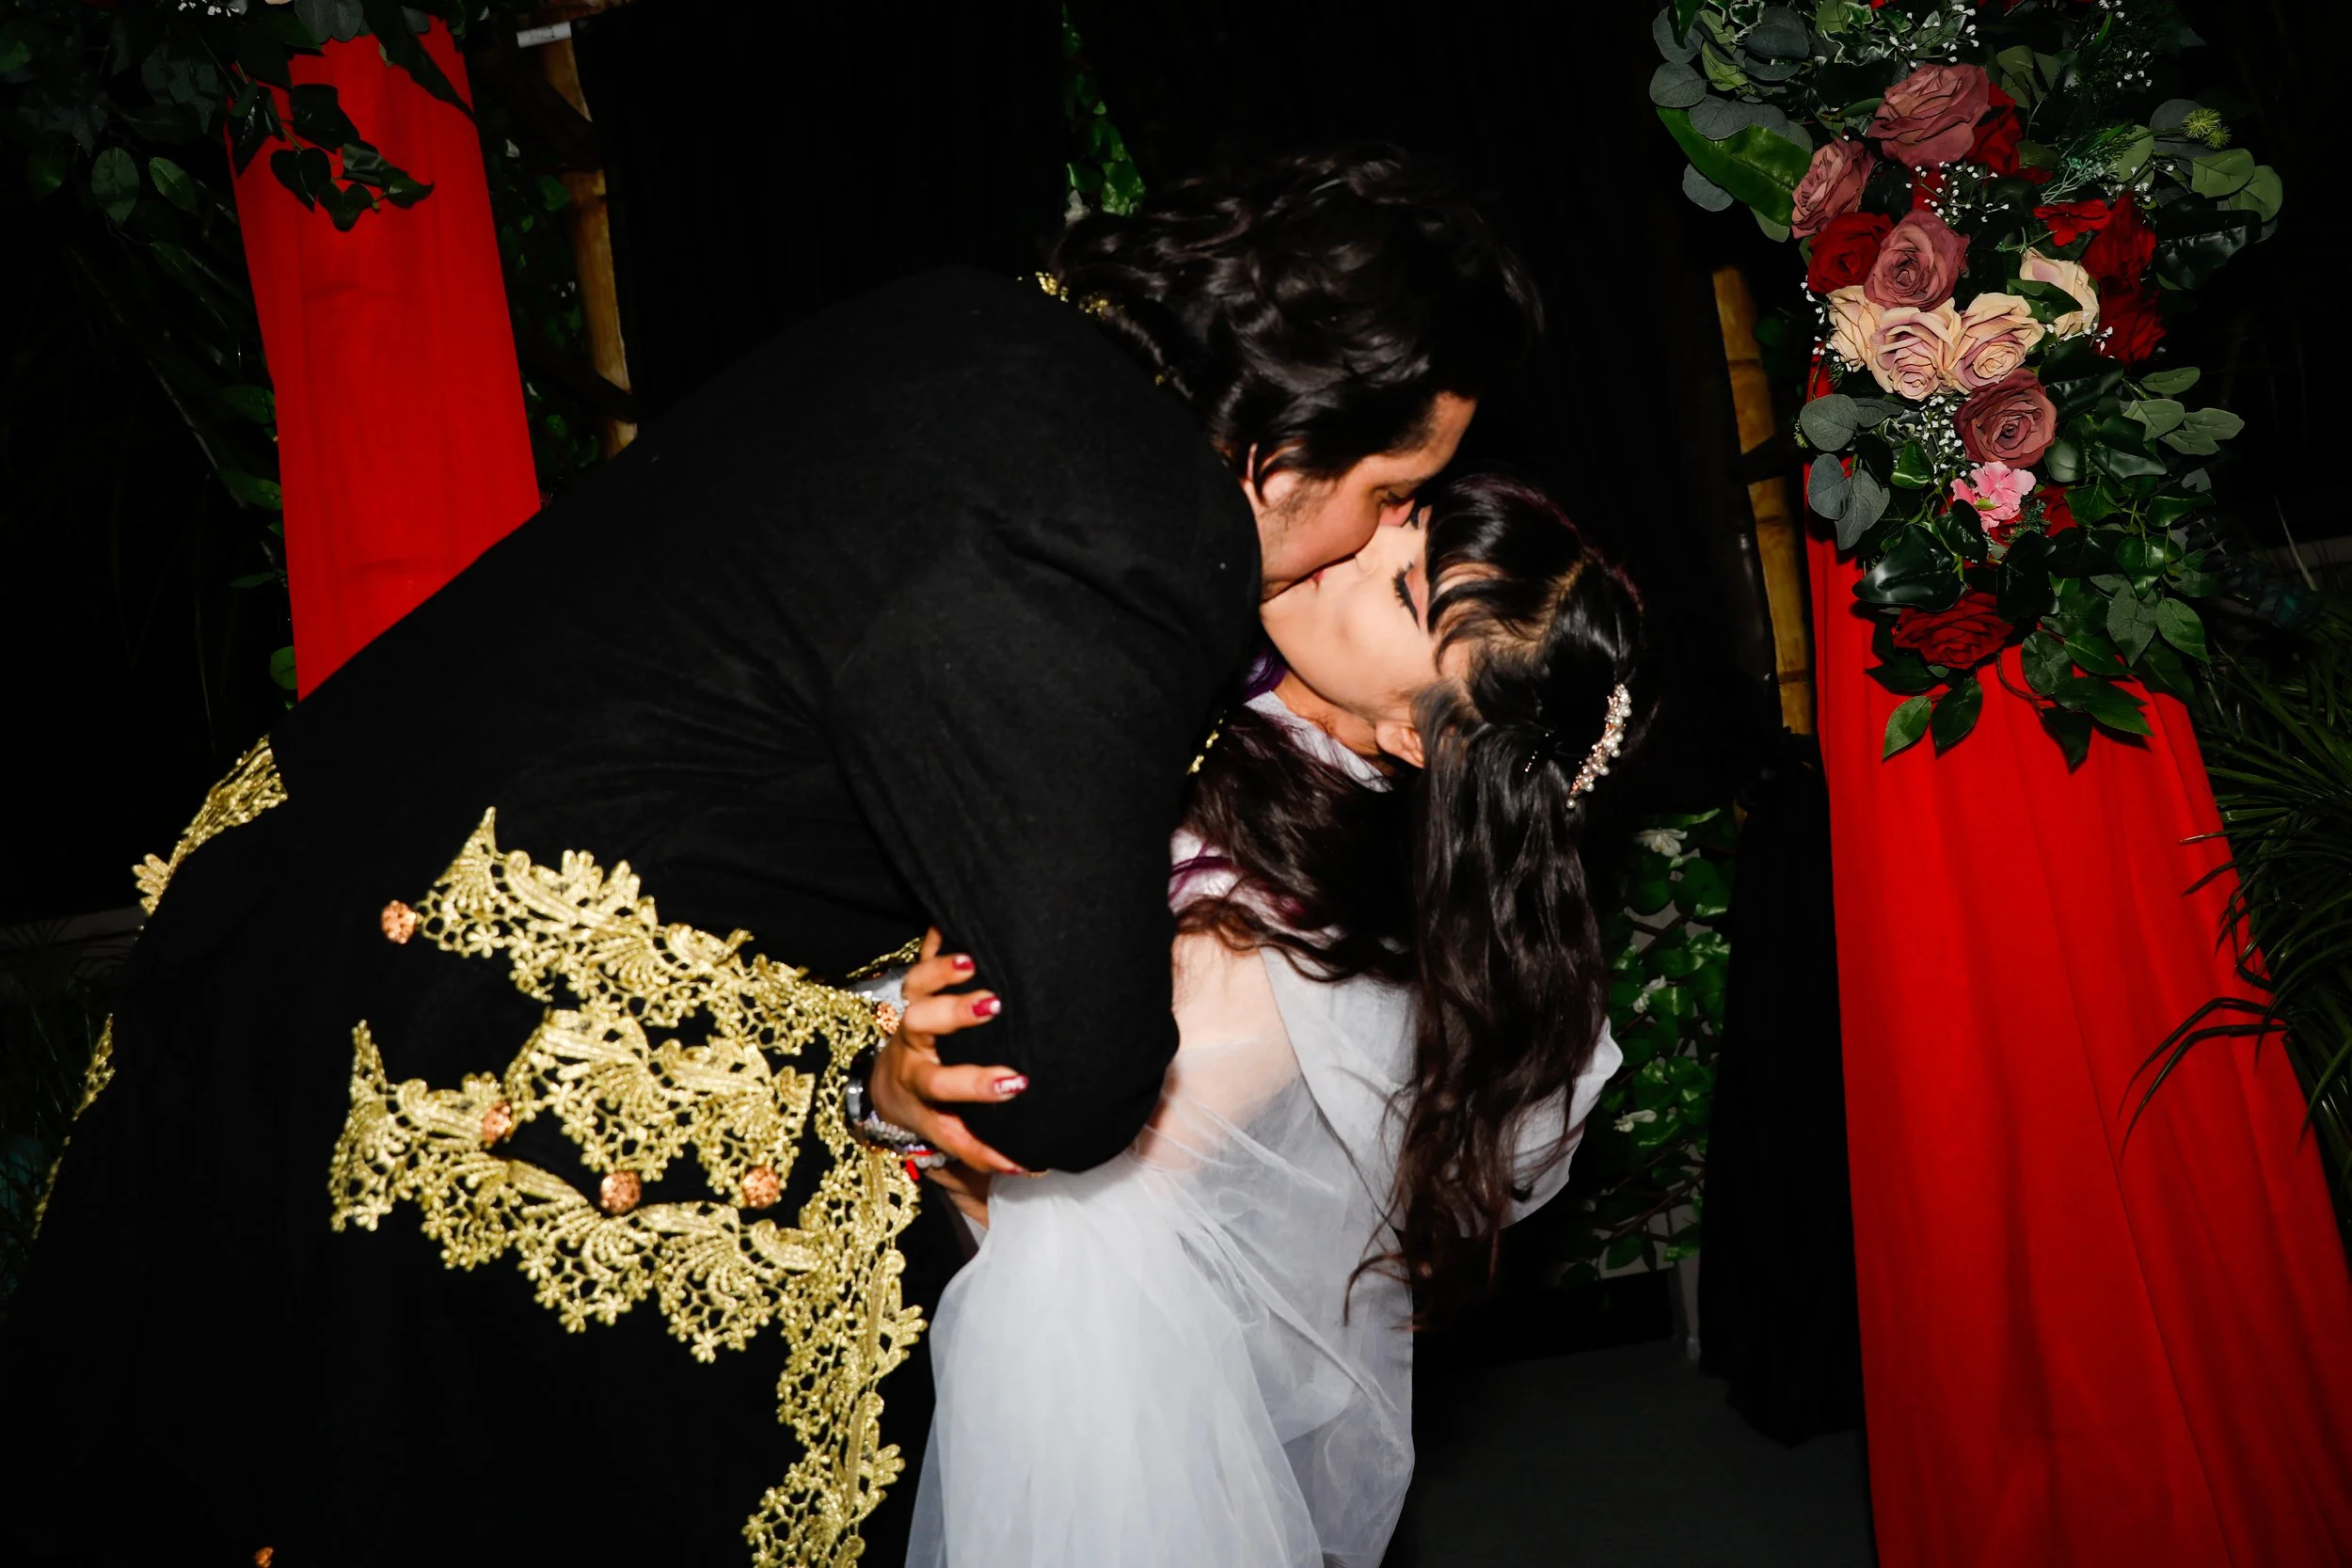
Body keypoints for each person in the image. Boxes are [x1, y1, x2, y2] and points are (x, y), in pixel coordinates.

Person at [0, 150, 1539, 1568]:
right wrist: (883, 1046)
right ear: (1297, 429)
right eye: (1392, 491)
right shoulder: (1133, 529)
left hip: (286, 900)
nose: (1367, 537)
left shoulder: (986, 324)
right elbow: (1069, 1072)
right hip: (464, 1042)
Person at [891, 473, 1645, 1567]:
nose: (1356, 541)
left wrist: (890, 1094)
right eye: (1409, 515)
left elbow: (1062, 1176)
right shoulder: (1205, 657)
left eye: (1402, 591)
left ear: (1419, 738)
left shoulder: (1289, 935)